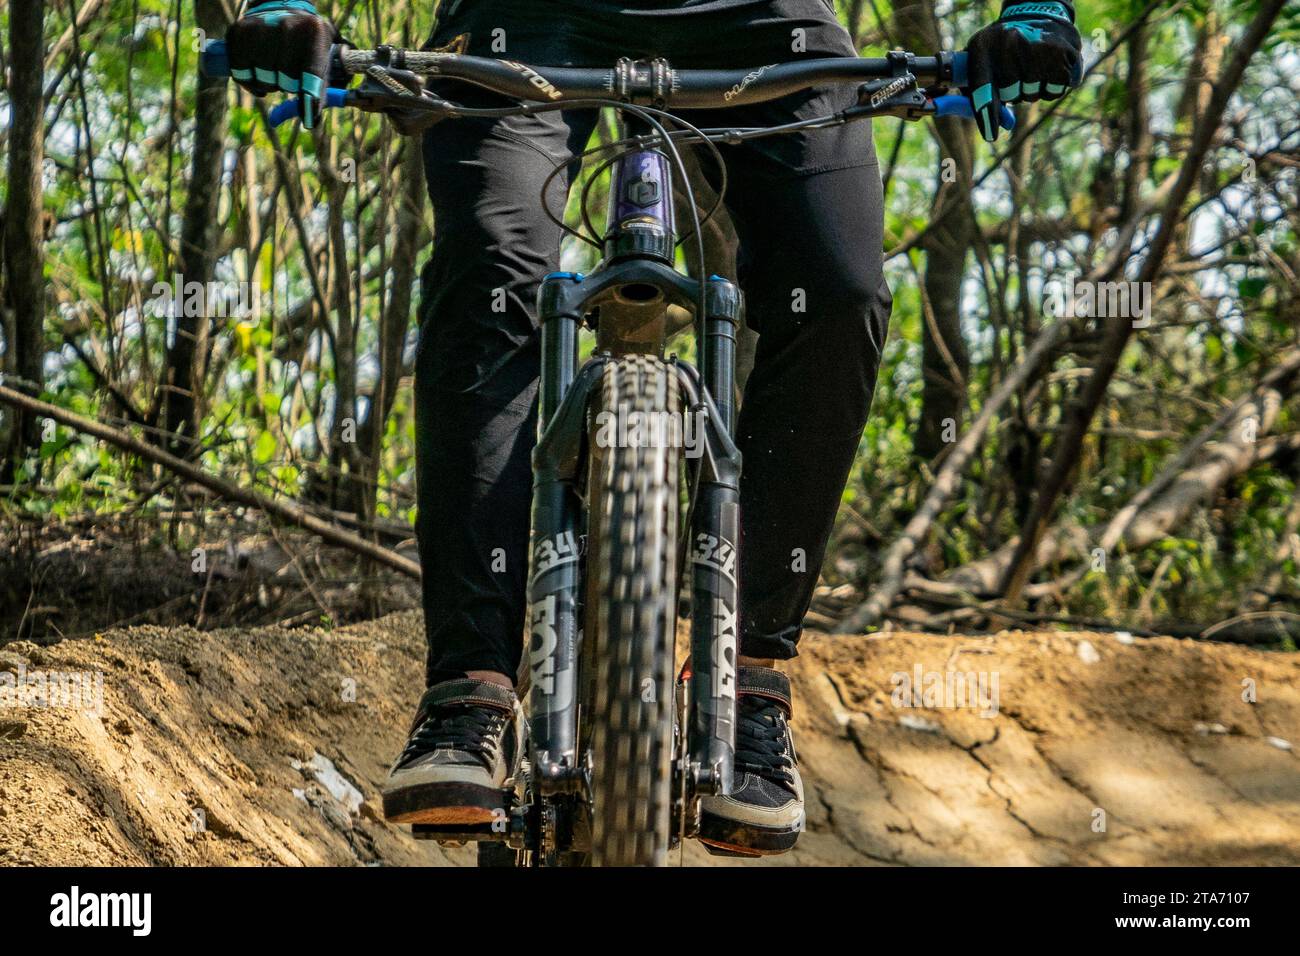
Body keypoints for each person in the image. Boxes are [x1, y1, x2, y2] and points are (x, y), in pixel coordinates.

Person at [224, 0, 1081, 856]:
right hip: (524, 20)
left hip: (766, 20)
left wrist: (1037, 14)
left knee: (838, 290)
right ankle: (469, 693)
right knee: (490, 268)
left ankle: (752, 685)